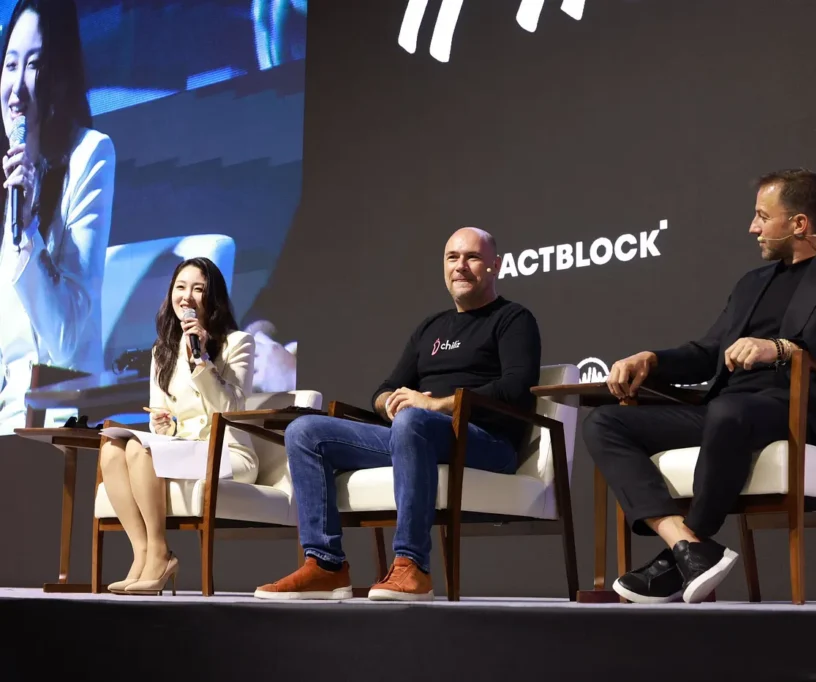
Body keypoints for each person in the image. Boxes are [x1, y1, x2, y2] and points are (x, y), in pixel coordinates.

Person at [583, 169, 816, 604]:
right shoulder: (752, 283)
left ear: (798, 224)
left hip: (802, 410)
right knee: (606, 423)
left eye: (763, 216)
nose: (753, 227)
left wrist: (779, 348)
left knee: (729, 412)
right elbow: (708, 352)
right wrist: (652, 358)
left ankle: (692, 545)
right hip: (730, 410)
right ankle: (686, 545)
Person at [254, 227, 541, 602]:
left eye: (472, 257)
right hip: (416, 434)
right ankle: (325, 565)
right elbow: (384, 388)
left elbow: (515, 389)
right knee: (305, 431)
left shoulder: (512, 319)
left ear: (495, 267)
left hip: (487, 442)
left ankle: (412, 565)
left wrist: (436, 405)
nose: (461, 267)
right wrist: (390, 401)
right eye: (452, 258)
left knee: (413, 421)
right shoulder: (431, 328)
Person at [98, 257, 257, 595]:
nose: (186, 296)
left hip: (226, 454)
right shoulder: (162, 352)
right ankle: (143, 553)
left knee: (140, 449)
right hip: (182, 451)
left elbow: (232, 408)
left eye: (198, 289)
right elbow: (164, 427)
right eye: (180, 287)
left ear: (212, 298)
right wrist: (162, 422)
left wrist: (201, 360)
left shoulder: (238, 343)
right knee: (113, 448)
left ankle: (159, 552)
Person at [0, 0, 115, 434]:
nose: (17, 88)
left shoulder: (91, 156)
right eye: (10, 65)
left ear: (60, 74)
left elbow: (65, 342)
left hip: (56, 422)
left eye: (34, 65)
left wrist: (28, 225)